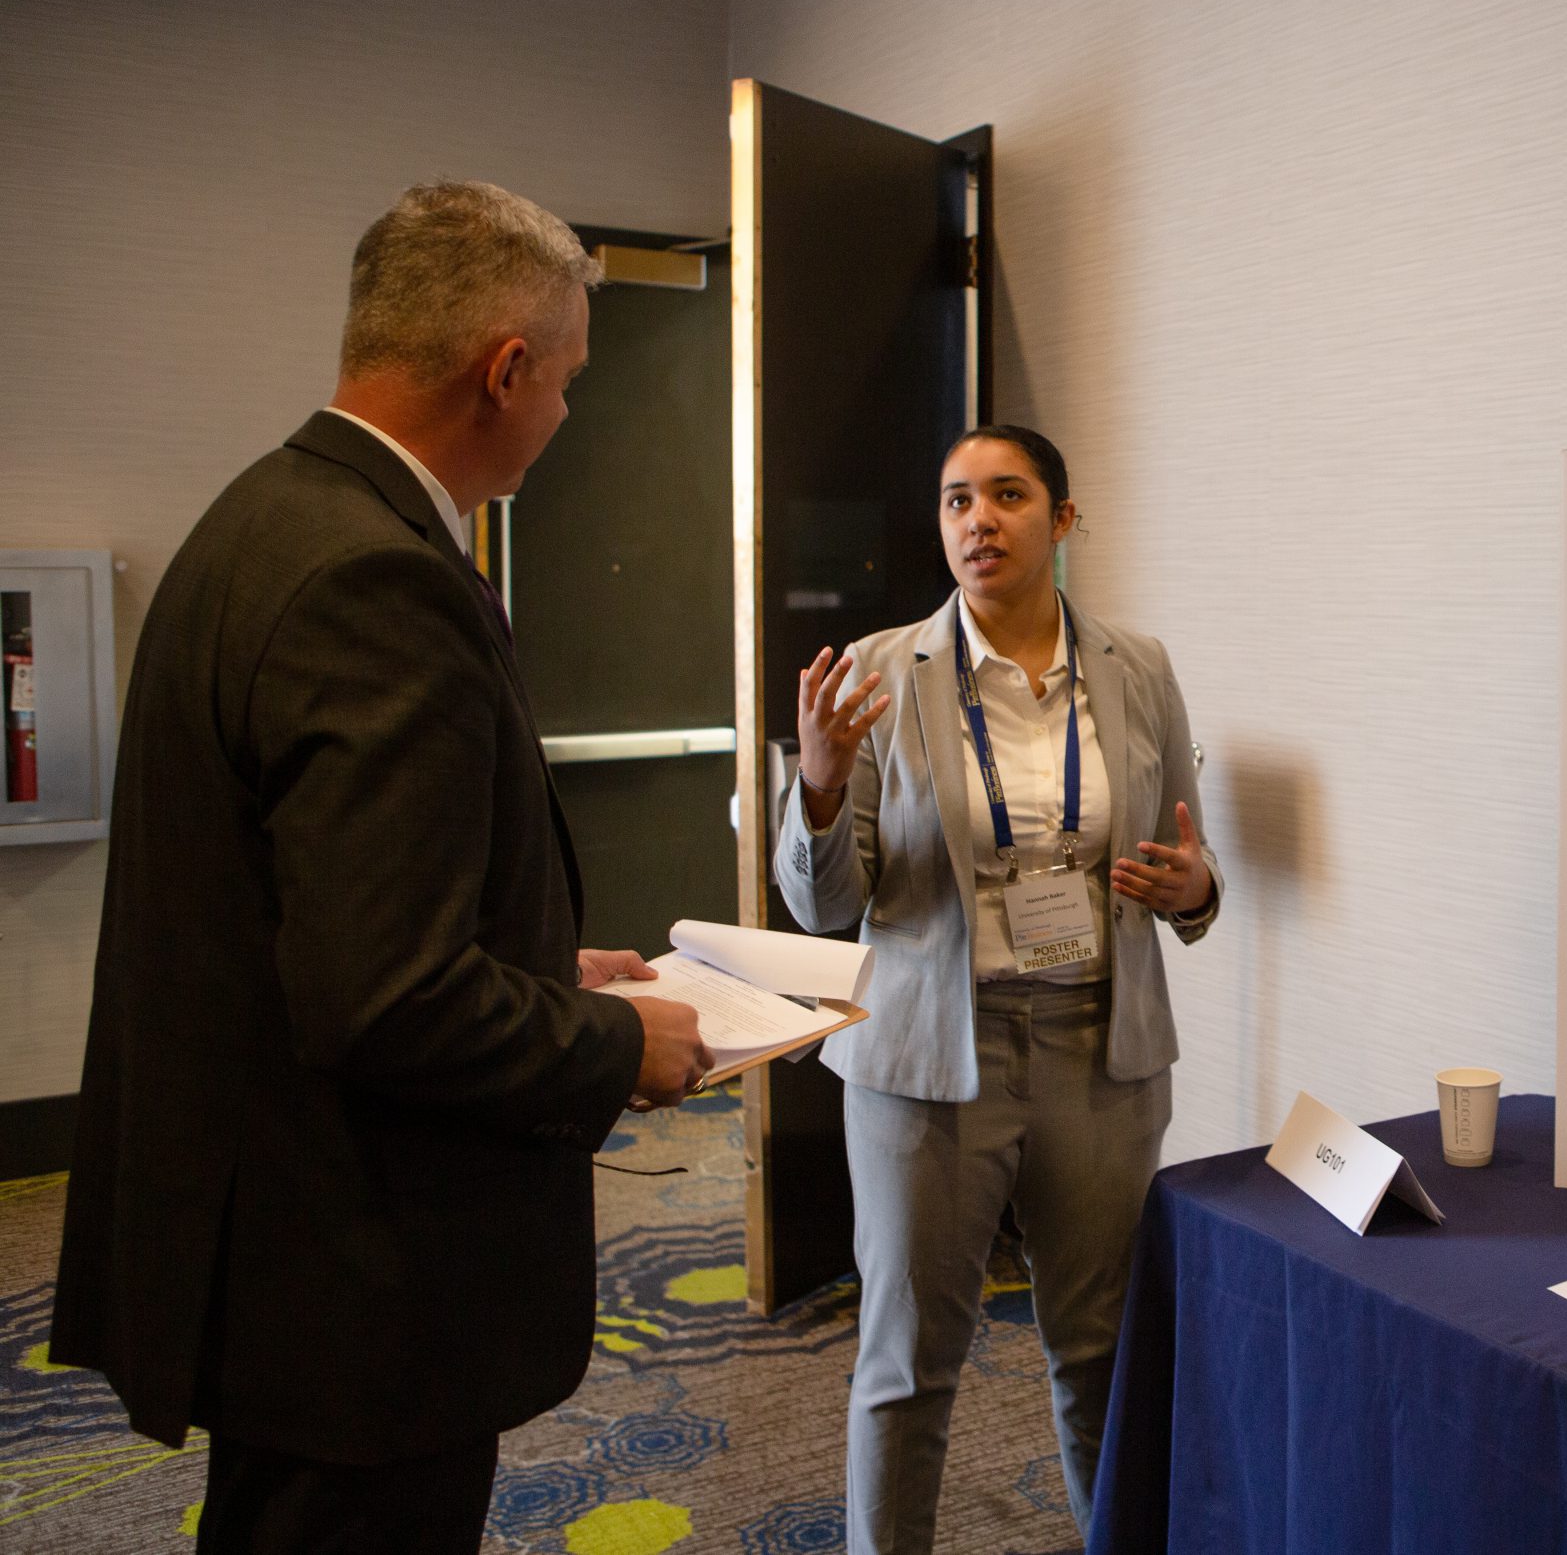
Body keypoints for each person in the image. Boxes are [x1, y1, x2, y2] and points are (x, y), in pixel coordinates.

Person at [50, 181, 711, 1555]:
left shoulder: (263, 516)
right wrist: (604, 1041)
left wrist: (539, 967)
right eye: (572, 382)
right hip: (350, 1280)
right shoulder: (378, 580)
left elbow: (313, 907)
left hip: (267, 1236)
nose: (569, 417)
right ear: (507, 369)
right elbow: (384, 995)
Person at [778, 425, 1222, 1554]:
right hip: (929, 1058)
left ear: (1062, 520)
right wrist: (820, 792)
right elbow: (824, 908)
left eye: (1009, 496)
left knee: (1102, 1355)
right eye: (956, 501)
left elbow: (1190, 865)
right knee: (907, 1363)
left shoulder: (1141, 667)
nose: (978, 520)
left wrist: (1192, 884)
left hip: (1100, 1052)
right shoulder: (878, 673)